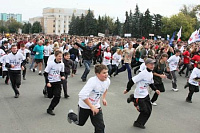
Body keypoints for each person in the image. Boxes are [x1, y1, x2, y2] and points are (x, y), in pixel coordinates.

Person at [68, 64, 110, 133]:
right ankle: (70, 115)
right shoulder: (92, 82)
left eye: (107, 72)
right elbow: (82, 95)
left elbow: (105, 89)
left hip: (96, 106)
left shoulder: (107, 81)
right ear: (97, 74)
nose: (106, 74)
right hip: (85, 105)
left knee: (100, 127)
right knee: (80, 123)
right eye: (104, 73)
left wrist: (104, 98)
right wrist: (91, 107)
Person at [124, 58, 160, 129]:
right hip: (139, 95)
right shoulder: (142, 74)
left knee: (149, 111)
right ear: (146, 65)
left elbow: (151, 83)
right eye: (150, 64)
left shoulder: (150, 74)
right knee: (144, 110)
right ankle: (134, 99)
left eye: (153, 64)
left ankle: (139, 123)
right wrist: (127, 89)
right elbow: (132, 81)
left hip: (145, 94)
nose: (152, 66)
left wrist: (156, 90)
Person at [43, 50, 65, 115]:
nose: (60, 58)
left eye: (61, 56)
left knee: (57, 96)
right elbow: (45, 73)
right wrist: (47, 82)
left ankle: (50, 109)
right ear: (55, 56)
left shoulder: (62, 64)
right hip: (50, 82)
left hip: (57, 81)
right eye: (59, 56)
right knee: (50, 96)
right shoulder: (50, 63)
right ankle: (45, 90)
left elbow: (62, 72)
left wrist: (62, 76)